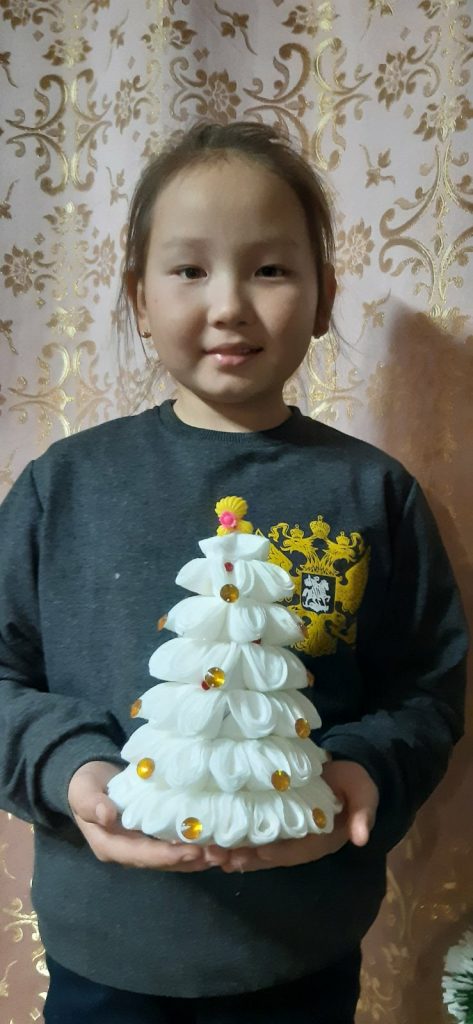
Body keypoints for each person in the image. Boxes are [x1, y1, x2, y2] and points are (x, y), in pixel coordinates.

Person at [0, 121, 467, 1024]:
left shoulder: (372, 494)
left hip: (301, 952)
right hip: (107, 951)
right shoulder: (64, 486)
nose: (228, 306)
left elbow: (426, 688)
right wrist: (71, 769)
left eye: (270, 269)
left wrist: (362, 772)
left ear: (323, 298)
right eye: (188, 269)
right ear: (138, 300)